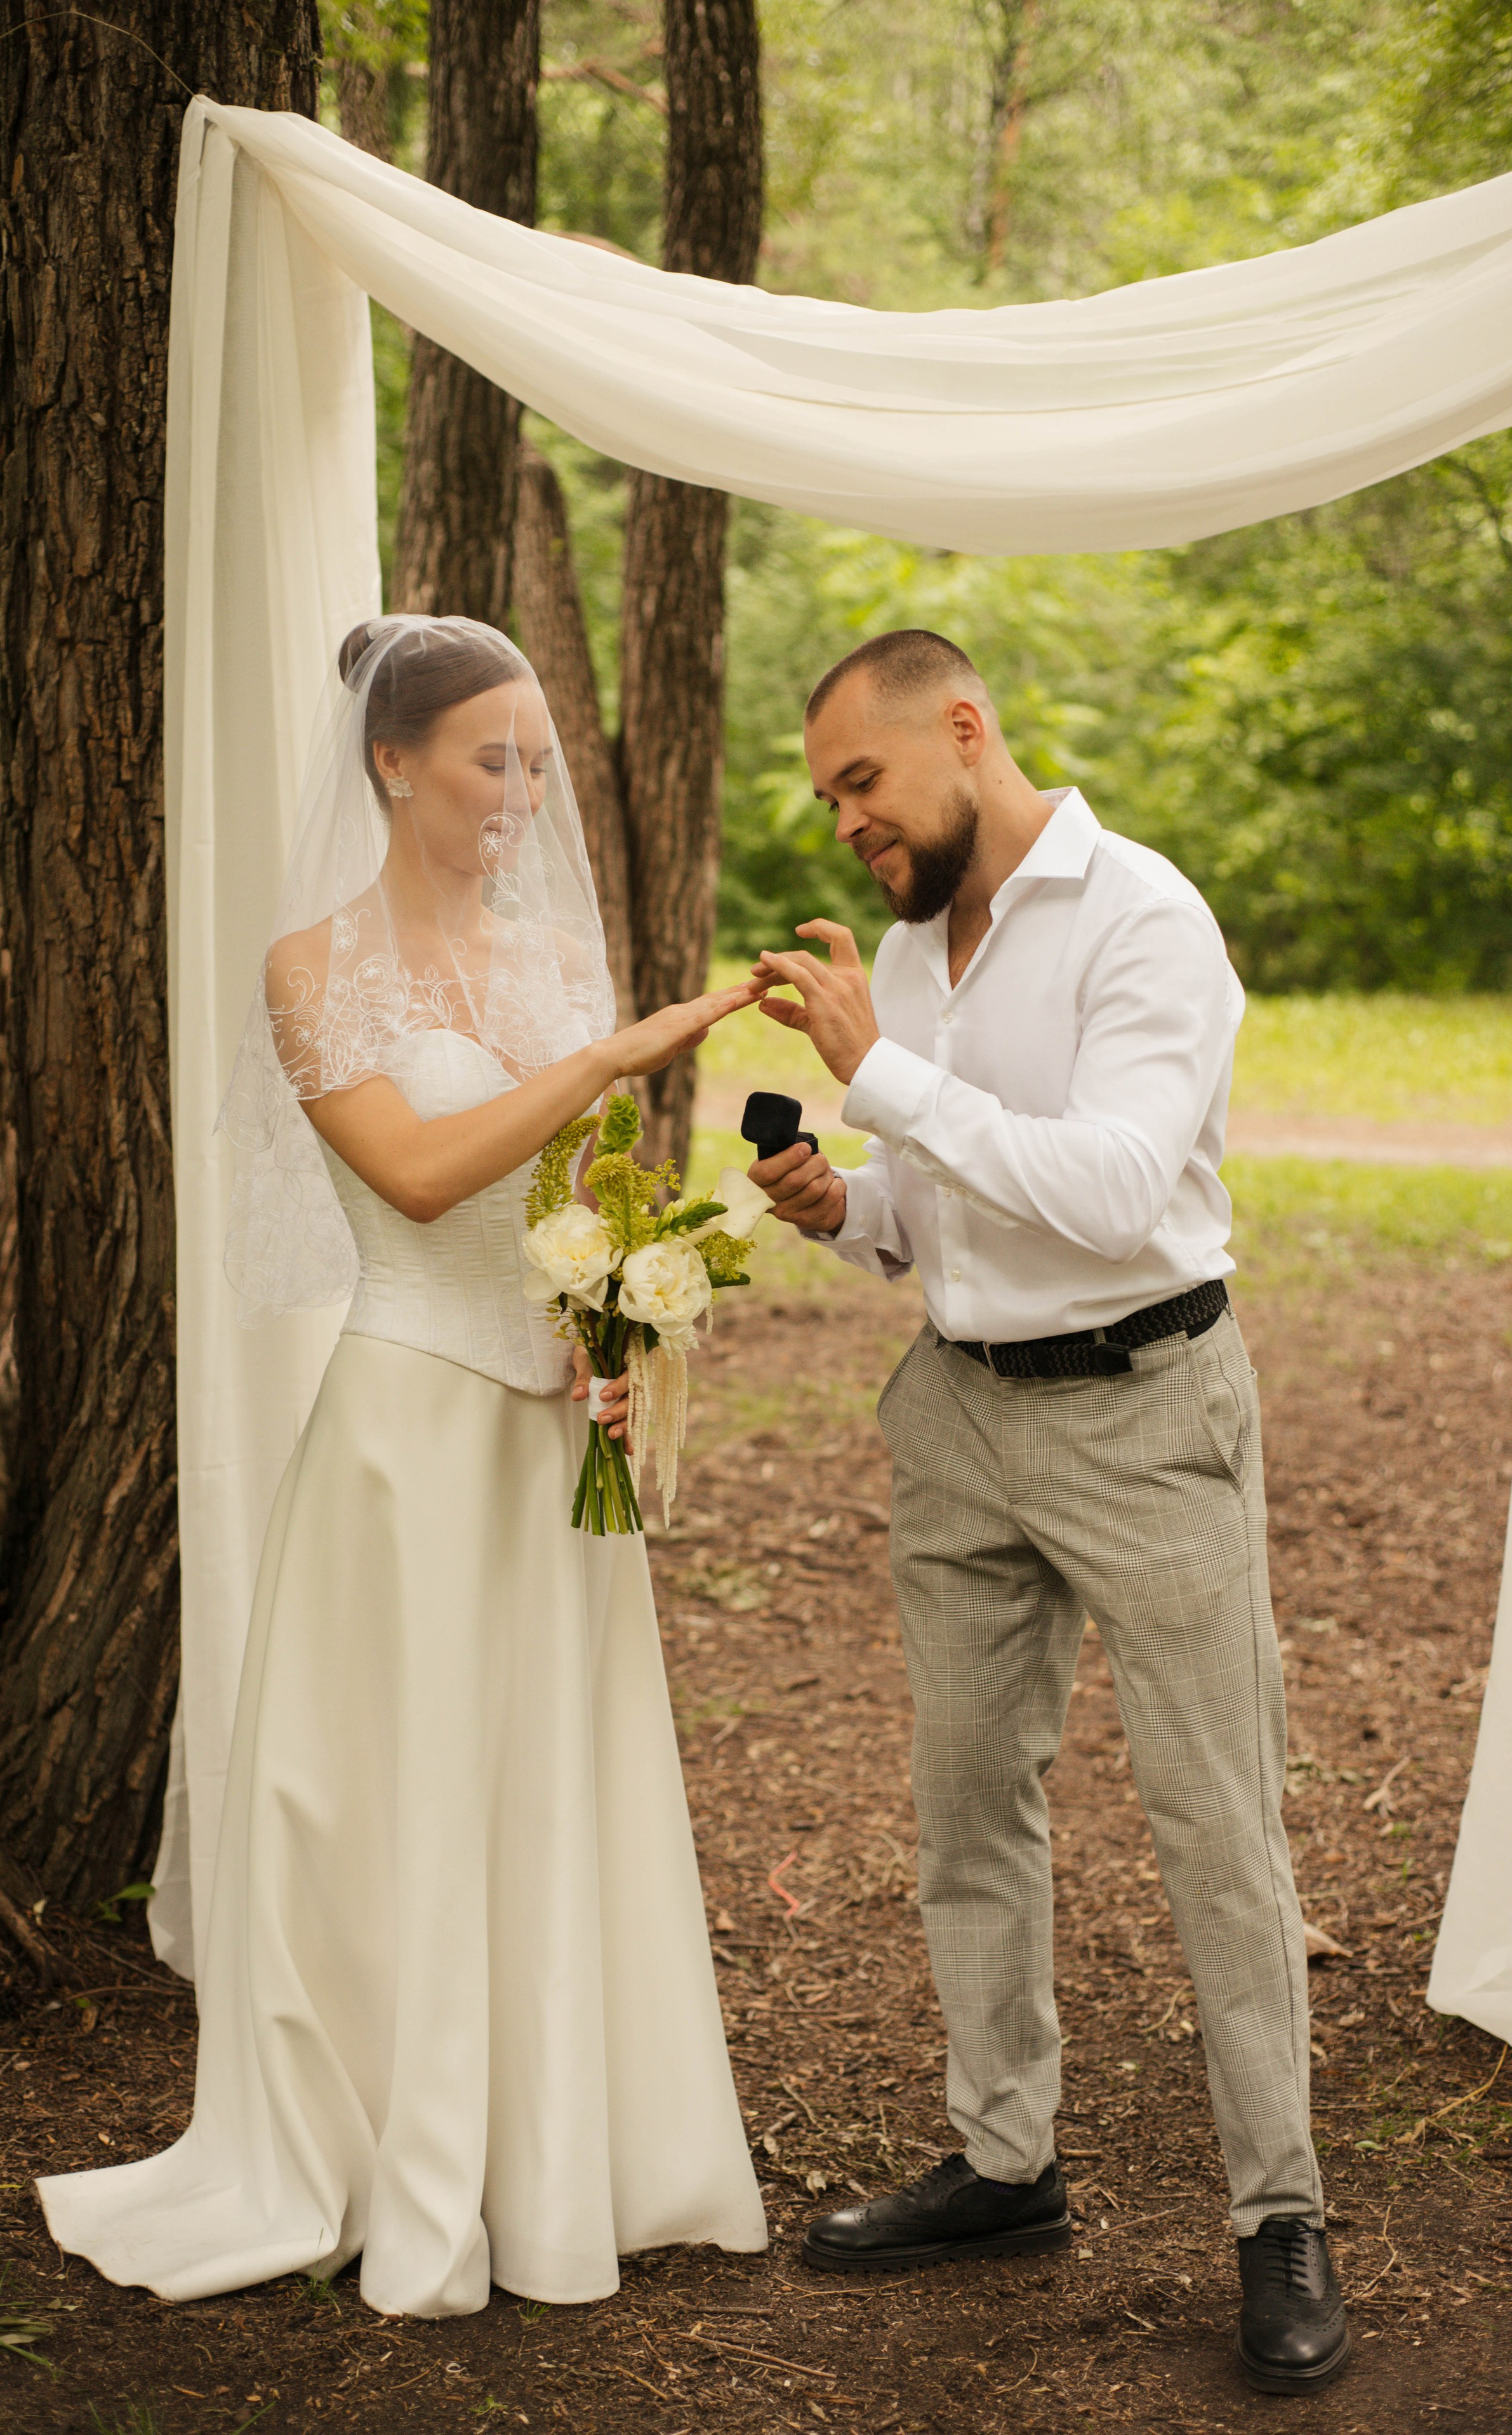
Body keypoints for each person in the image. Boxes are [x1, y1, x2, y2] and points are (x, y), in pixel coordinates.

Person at [37, 615, 768, 2318]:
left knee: (541, 1777)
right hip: (404, 1440)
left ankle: (558, 2152)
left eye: (534, 761)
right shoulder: (313, 966)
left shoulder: (547, 966)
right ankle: (395, 2151)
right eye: (489, 758)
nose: (521, 789)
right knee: (412, 1786)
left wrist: (613, 1327)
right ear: (393, 760)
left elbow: (575, 1197)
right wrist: (606, 1058)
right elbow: (424, 1174)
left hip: (541, 1445)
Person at [746, 629, 1349, 2396]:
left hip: (1147, 1408)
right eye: (829, 801)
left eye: (865, 781)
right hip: (960, 1414)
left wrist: (882, 1071)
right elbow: (947, 1211)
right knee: (965, 1808)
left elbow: (1105, 1188)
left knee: (1216, 1824)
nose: (851, 823)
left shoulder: (1143, 917)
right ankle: (1005, 2161)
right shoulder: (925, 950)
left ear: (964, 725)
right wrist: (838, 1202)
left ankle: (1283, 2213)